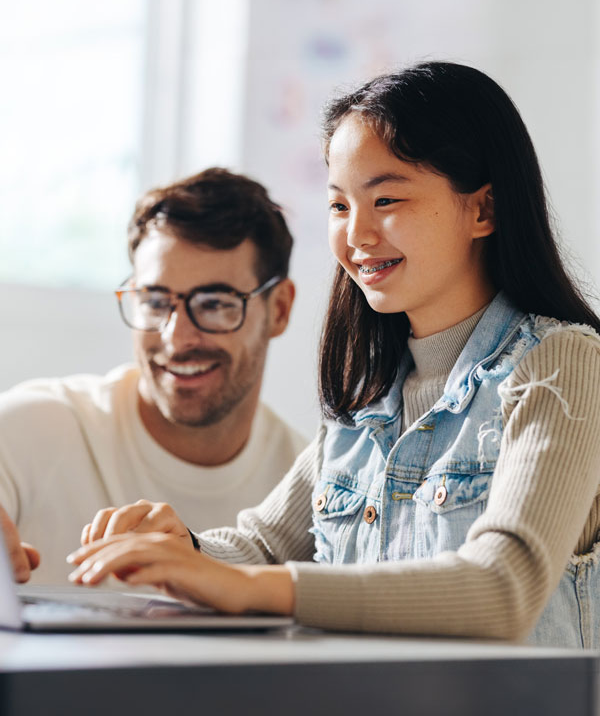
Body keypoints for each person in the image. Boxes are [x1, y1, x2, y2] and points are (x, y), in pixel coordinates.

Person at [67, 62, 600, 647]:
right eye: (340, 206)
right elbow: (266, 548)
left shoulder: (562, 365)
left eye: (387, 199)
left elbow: (505, 587)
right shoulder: (367, 396)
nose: (357, 235)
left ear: (484, 210)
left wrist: (250, 587)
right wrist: (182, 549)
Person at [0, 168, 307, 583]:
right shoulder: (31, 428)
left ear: (280, 310)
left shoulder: (309, 485)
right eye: (156, 301)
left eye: (215, 303)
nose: (177, 338)